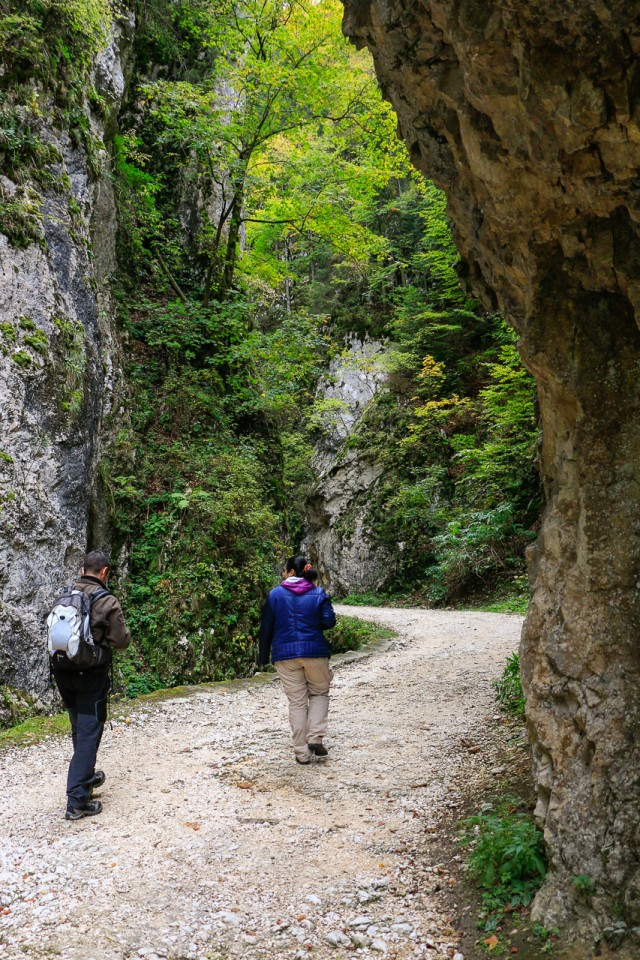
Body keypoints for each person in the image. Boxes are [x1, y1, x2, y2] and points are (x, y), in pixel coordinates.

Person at [50, 550, 131, 820]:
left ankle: (85, 777)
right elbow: (121, 640)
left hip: (62, 672)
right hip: (90, 676)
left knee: (80, 727)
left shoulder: (65, 595)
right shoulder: (107, 600)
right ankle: (76, 802)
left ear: (82, 569)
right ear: (104, 572)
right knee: (88, 732)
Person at [258, 555, 336, 764]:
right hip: (315, 652)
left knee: (297, 702)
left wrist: (263, 657)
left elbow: (266, 628)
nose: (282, 574)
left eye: (284, 570)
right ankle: (315, 737)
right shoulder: (318, 592)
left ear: (291, 571)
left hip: (285, 655)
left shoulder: (275, 594)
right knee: (319, 693)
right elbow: (329, 622)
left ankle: (302, 753)